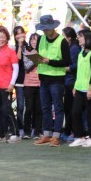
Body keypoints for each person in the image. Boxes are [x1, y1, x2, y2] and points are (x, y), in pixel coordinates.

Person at [31, 14, 71, 147]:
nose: (45, 31)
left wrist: (50, 62)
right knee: (45, 108)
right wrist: (35, 58)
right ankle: (47, 134)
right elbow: (38, 54)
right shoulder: (41, 38)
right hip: (43, 78)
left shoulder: (62, 41)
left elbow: (67, 62)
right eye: (43, 29)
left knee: (58, 108)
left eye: (47, 29)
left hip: (57, 80)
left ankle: (56, 136)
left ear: (53, 27)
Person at [68, 29, 91, 148]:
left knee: (90, 114)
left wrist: (90, 89)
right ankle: (80, 137)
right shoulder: (81, 52)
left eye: (81, 36)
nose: (78, 38)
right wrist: (75, 86)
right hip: (80, 88)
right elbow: (80, 72)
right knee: (75, 112)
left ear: (87, 38)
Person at [0, 25, 20, 143]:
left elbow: (15, 69)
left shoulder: (11, 52)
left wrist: (12, 84)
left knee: (7, 110)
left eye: (3, 37)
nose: (1, 39)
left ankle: (15, 133)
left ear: (7, 38)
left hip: (6, 86)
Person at [21, 32, 42, 138]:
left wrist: (38, 56)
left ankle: (37, 131)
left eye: (36, 39)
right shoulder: (27, 52)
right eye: (32, 39)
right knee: (29, 108)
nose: (34, 42)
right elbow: (27, 67)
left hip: (40, 84)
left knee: (38, 109)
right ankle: (26, 131)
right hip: (29, 84)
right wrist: (36, 56)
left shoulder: (43, 52)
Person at [12, 26, 27, 138]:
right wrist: (20, 46)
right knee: (20, 106)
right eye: (17, 34)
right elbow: (18, 59)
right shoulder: (15, 48)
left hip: (30, 80)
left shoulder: (30, 45)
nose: (20, 35)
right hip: (19, 81)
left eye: (22, 33)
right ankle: (21, 128)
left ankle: (31, 128)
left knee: (30, 106)